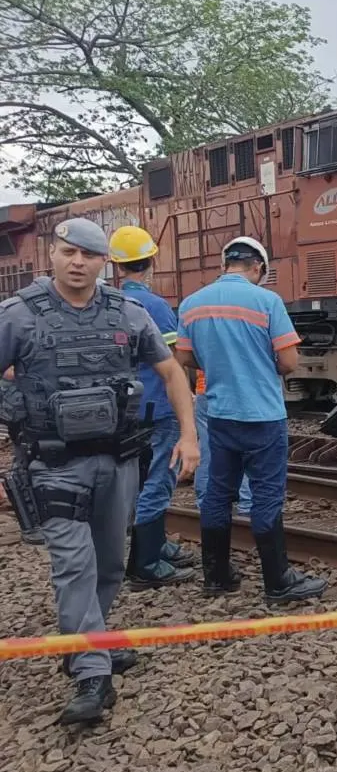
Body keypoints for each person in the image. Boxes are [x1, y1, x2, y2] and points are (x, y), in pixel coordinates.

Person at [0, 217, 199, 724]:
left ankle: (86, 643)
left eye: (88, 255)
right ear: (52, 254)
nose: (77, 262)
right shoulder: (18, 316)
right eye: (68, 252)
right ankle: (92, 674)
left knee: (110, 564)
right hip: (52, 465)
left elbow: (171, 370)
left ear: (104, 263)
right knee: (74, 565)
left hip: (118, 461)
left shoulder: (127, 313)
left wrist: (189, 435)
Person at [176, 236, 327, 602]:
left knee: (217, 494)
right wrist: (260, 364)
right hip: (262, 416)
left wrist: (217, 365)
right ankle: (278, 581)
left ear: (225, 264)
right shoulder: (267, 301)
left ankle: (216, 576)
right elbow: (289, 362)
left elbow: (184, 358)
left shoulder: (191, 304)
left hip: (219, 414)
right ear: (258, 268)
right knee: (266, 495)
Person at [108, 225, 197, 589]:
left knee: (141, 479)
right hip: (159, 408)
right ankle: (145, 563)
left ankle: (156, 545)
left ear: (117, 266)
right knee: (159, 481)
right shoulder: (156, 307)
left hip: (126, 410)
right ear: (150, 263)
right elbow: (174, 361)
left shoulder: (109, 303)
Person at [193, 368, 254, 516]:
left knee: (206, 448)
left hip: (204, 390)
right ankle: (246, 503)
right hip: (235, 391)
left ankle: (204, 500)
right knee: (244, 445)